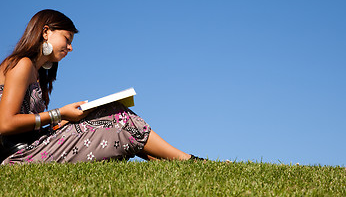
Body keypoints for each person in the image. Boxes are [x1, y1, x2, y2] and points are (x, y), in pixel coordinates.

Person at [0, 9, 203, 164]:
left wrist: (59, 120)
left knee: (109, 112)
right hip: (18, 156)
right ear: (46, 32)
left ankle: (168, 160)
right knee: (117, 116)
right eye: (67, 39)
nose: (70, 47)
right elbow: (5, 124)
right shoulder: (22, 64)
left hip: (31, 145)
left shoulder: (36, 72)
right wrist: (59, 114)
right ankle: (186, 160)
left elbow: (25, 123)